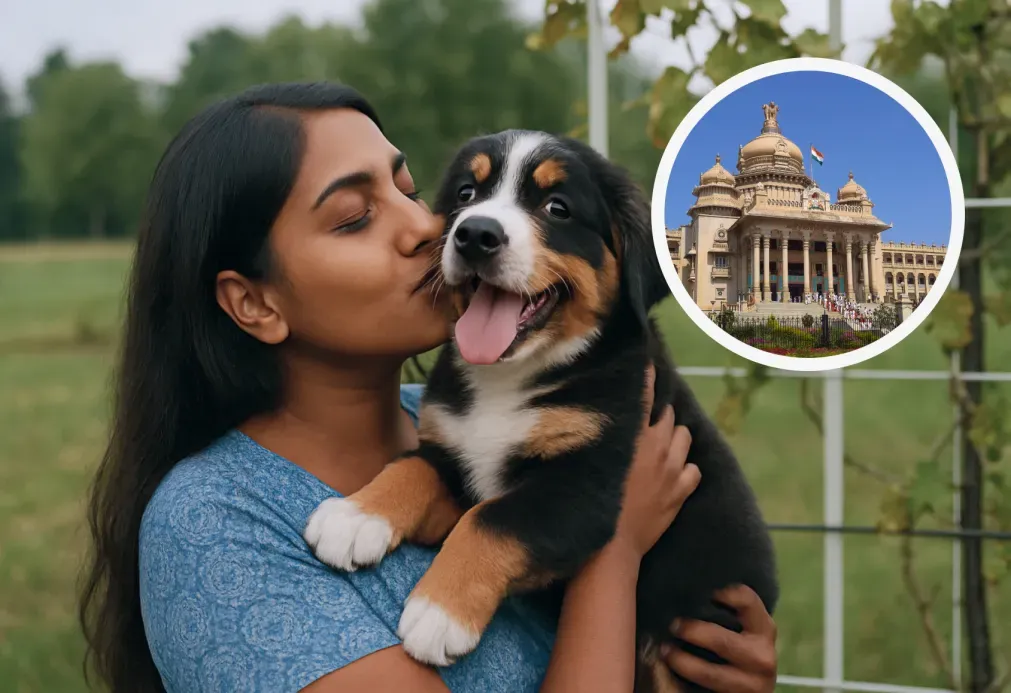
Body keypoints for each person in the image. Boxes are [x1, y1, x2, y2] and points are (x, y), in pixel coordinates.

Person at [79, 83, 778, 693]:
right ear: (254, 303)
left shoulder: (437, 415)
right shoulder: (213, 527)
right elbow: (569, 516)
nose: (427, 227)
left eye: (410, 191)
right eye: (355, 216)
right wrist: (614, 551)